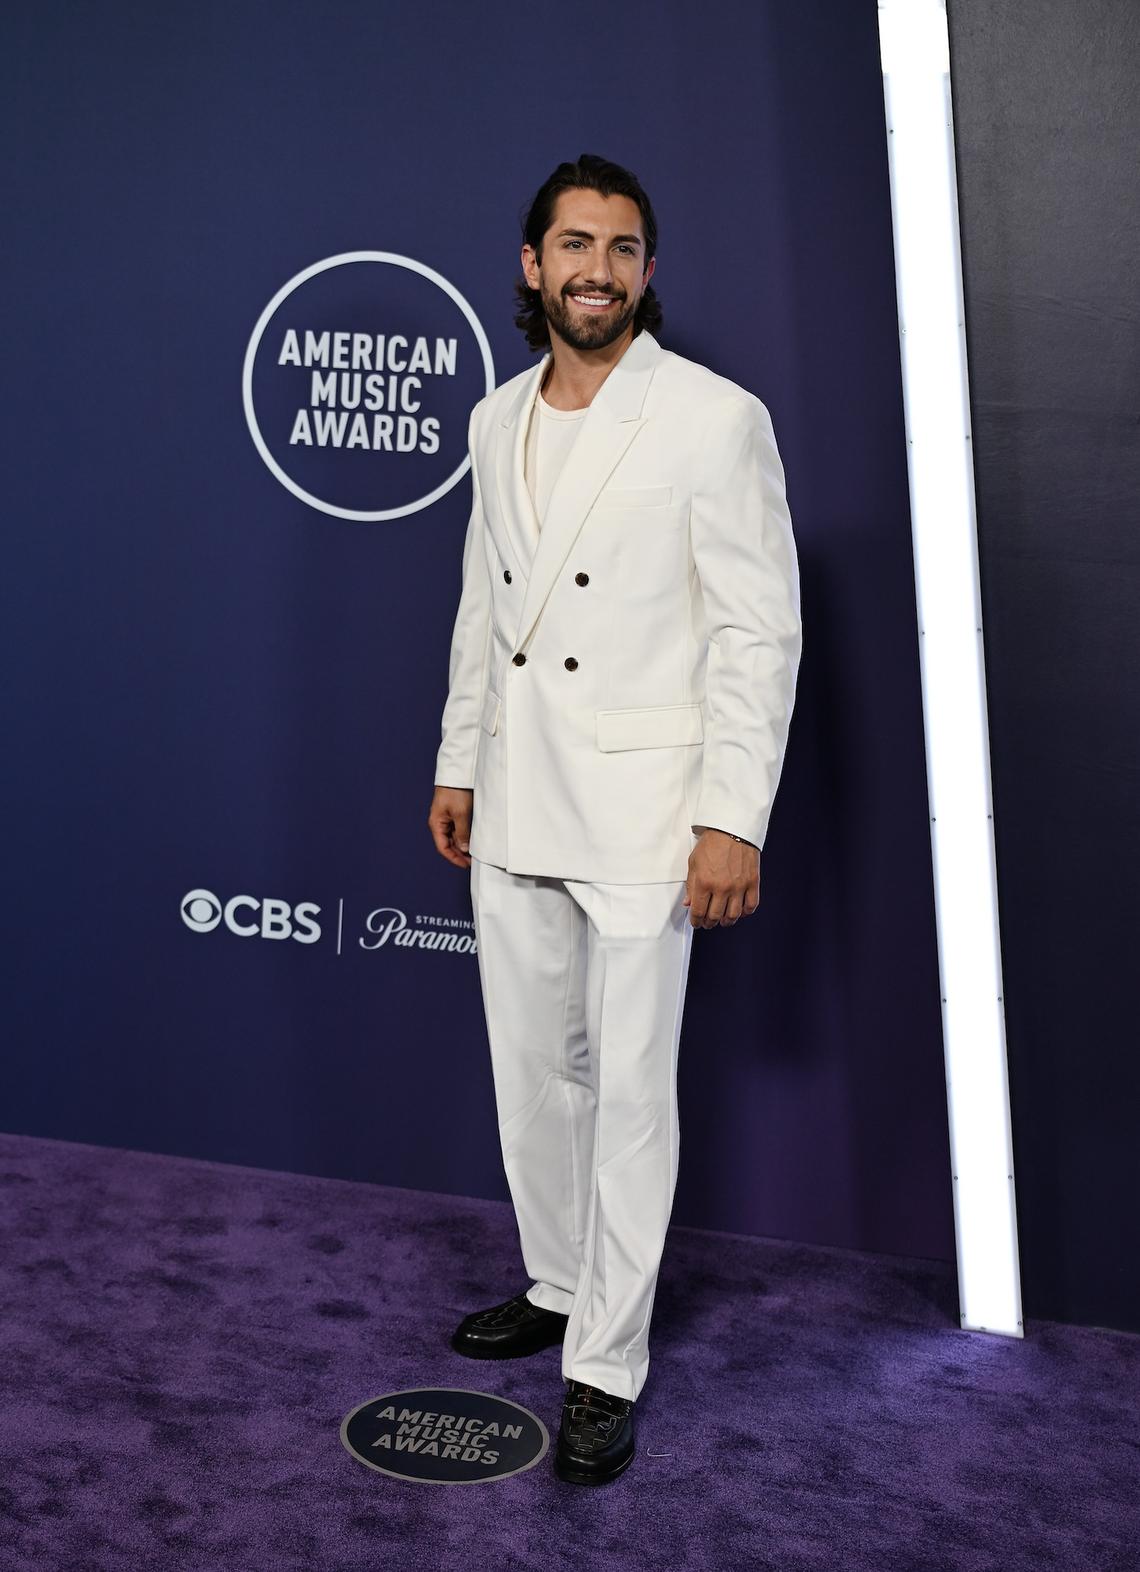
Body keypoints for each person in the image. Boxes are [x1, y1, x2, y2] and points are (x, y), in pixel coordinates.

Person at [428, 153, 801, 1486]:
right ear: (532, 266)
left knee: (633, 1092)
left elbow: (760, 631)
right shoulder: (490, 418)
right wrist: (460, 758)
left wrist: (731, 818)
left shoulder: (712, 419)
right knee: (533, 1067)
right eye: (573, 245)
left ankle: (605, 1361)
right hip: (521, 784)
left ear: (648, 271)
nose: (597, 268)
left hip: (649, 808)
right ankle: (556, 1276)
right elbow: (489, 603)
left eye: (622, 248)